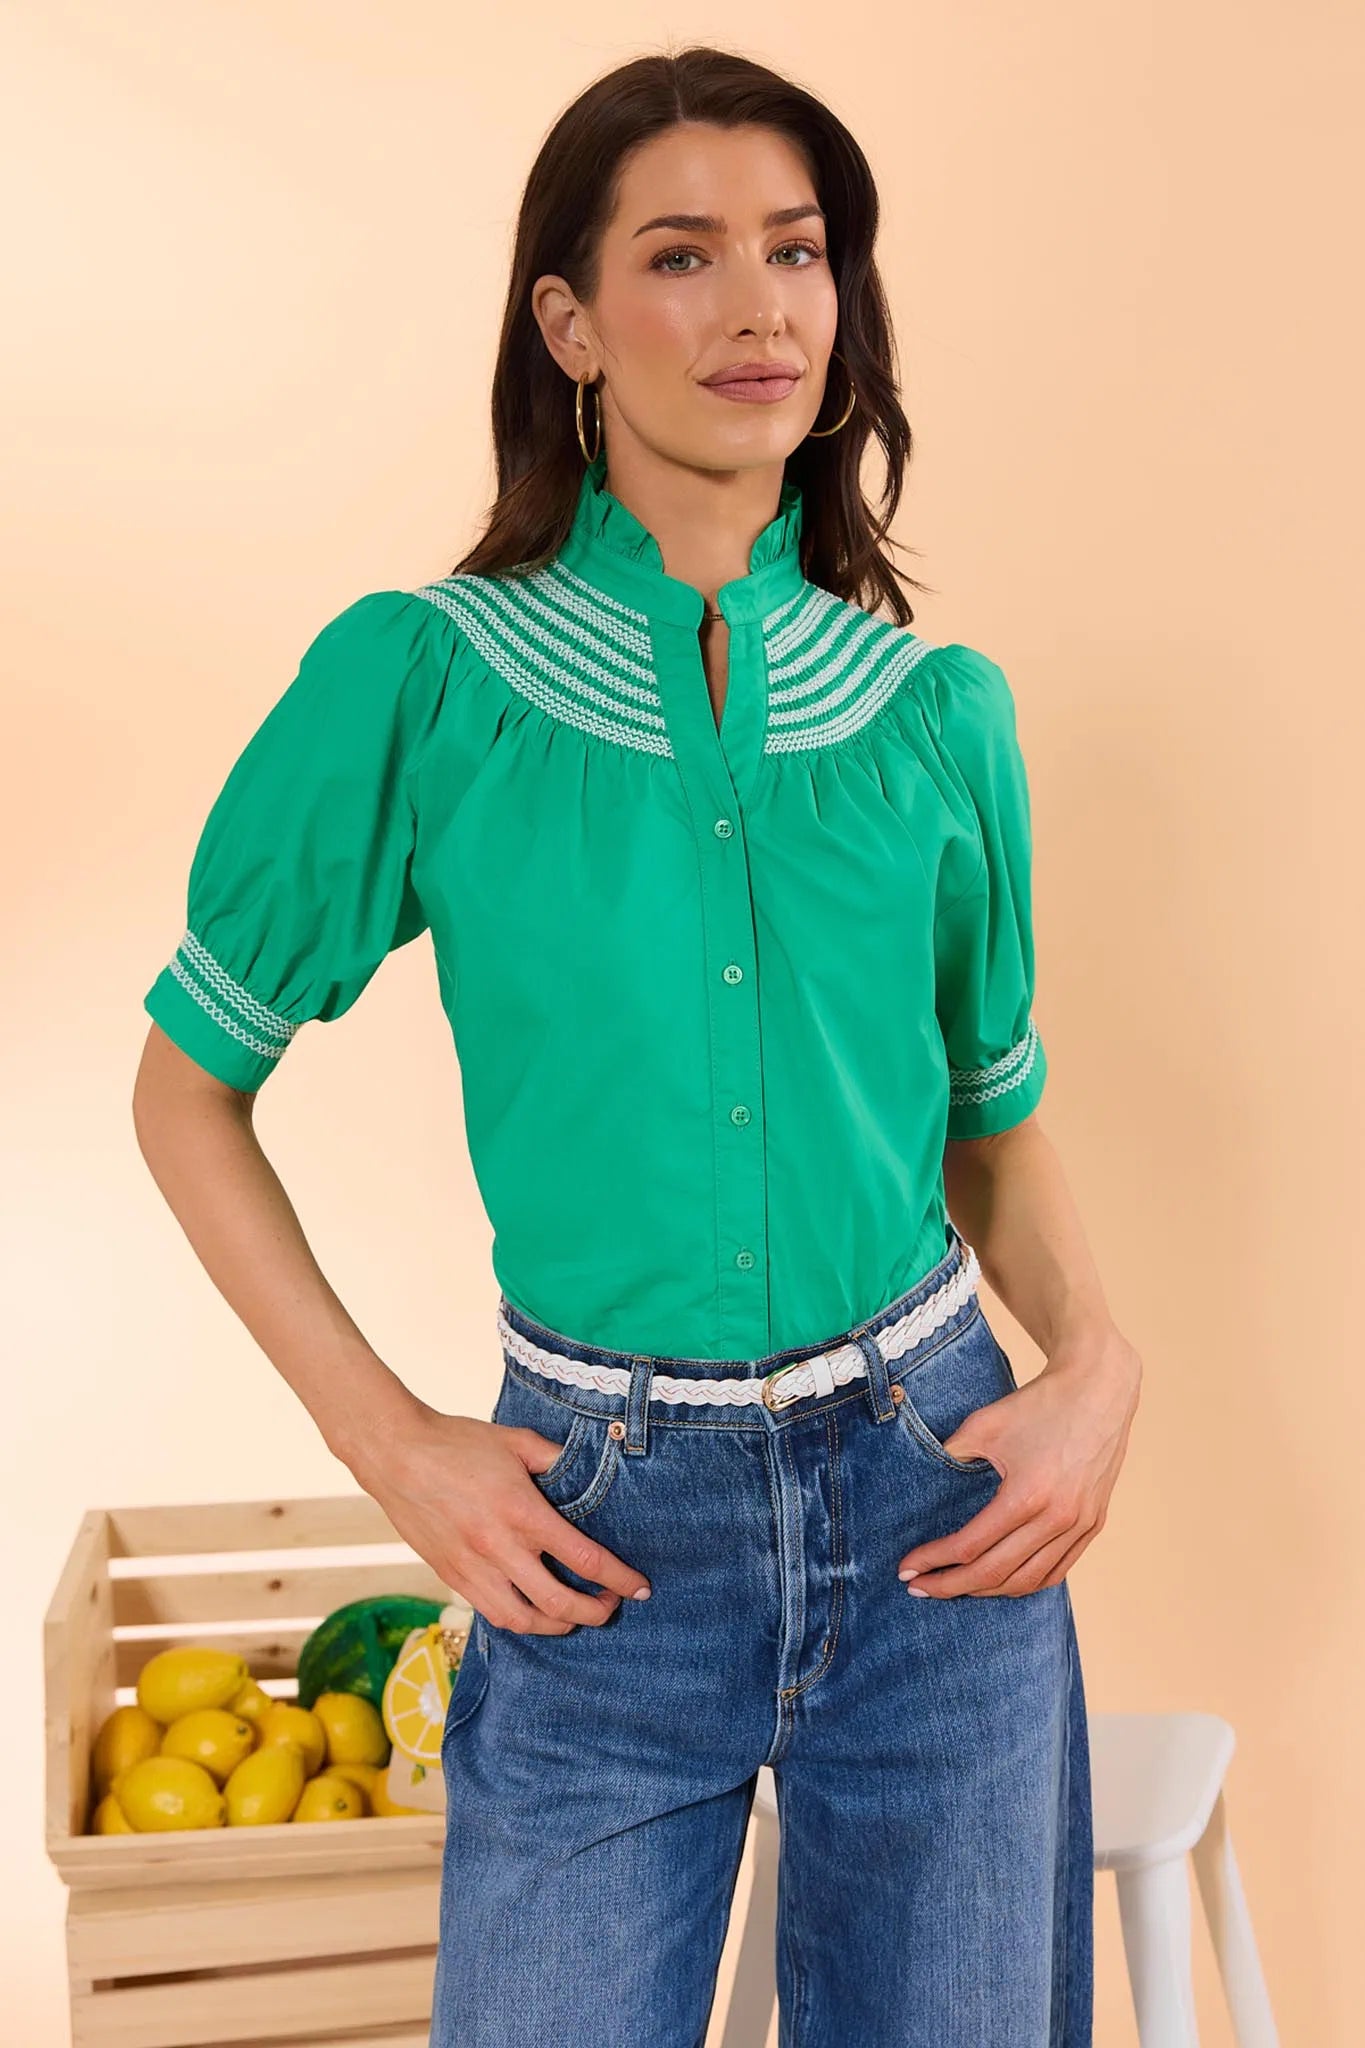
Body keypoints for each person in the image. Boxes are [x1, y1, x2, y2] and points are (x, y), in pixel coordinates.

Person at [133, 43, 1143, 2048]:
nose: (756, 305)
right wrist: (391, 1442)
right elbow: (187, 1090)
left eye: (797, 250)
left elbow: (988, 1122)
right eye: (681, 257)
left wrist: (1094, 1360)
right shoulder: (424, 682)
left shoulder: (935, 713)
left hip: (933, 1500)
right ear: (570, 323)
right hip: (594, 1532)